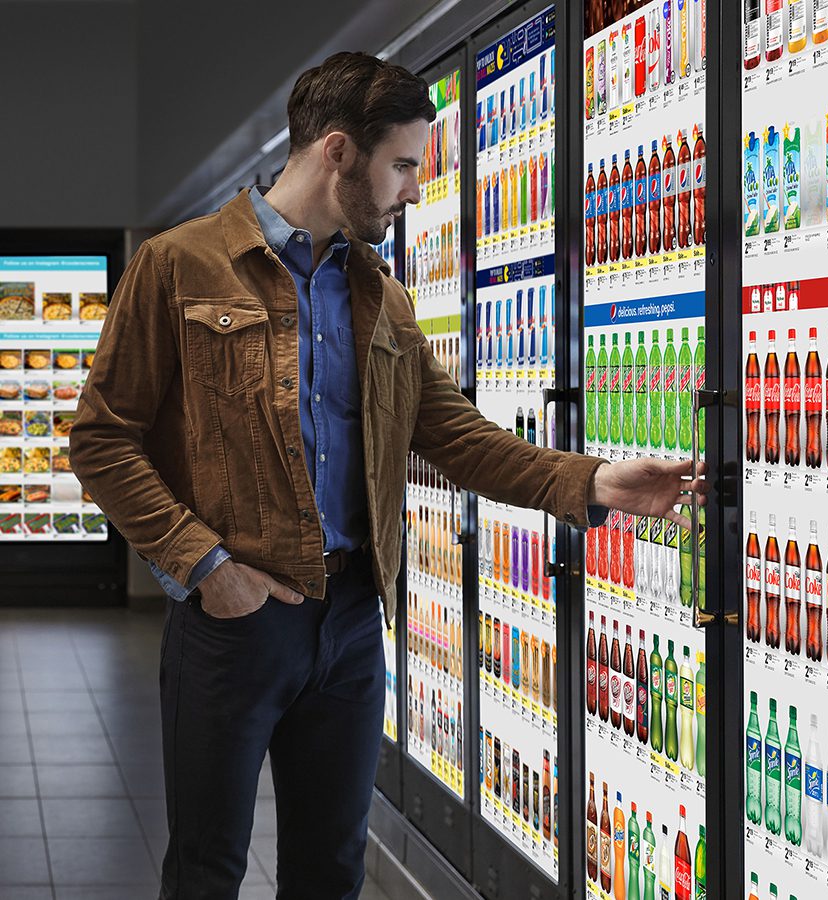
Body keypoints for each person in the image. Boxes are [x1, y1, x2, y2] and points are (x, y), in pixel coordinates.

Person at [69, 51, 708, 900]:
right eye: (402, 165)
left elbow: (459, 438)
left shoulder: (382, 296)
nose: (413, 190)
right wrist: (205, 568)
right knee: (205, 869)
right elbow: (102, 439)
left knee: (331, 871)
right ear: (337, 151)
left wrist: (597, 483)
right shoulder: (181, 266)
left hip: (352, 626)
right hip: (234, 626)